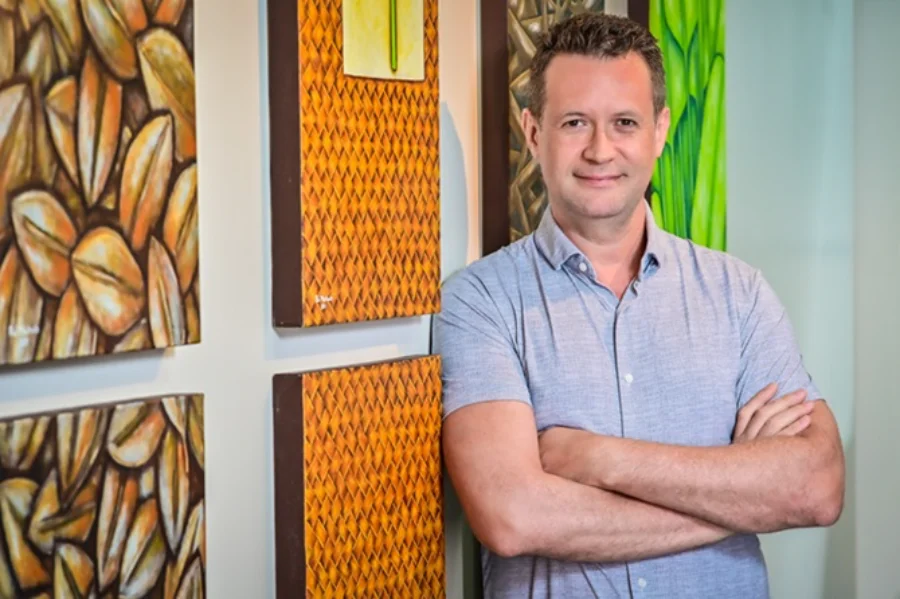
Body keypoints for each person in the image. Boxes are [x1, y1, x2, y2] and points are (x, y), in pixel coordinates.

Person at [432, 12, 845, 599]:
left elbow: (818, 486)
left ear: (659, 130)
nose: (601, 150)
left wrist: (600, 460)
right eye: (575, 122)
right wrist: (739, 497)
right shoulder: (480, 301)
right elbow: (514, 517)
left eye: (624, 122)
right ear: (532, 132)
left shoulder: (740, 294)